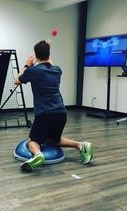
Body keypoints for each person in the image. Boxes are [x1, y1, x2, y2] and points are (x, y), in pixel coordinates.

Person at [14, 39, 93, 171]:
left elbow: (16, 80)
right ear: (49, 54)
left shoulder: (33, 71)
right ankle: (81, 145)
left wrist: (27, 65)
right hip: (61, 112)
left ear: (36, 56)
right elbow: (49, 63)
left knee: (32, 140)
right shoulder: (57, 70)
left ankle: (38, 155)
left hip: (45, 113)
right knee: (53, 140)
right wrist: (47, 48)